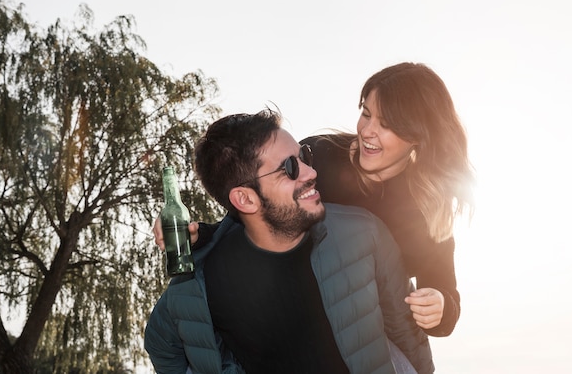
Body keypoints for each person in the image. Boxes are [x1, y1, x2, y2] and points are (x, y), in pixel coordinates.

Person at [154, 62, 474, 337]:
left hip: (367, 344)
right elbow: (253, 221)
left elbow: (446, 301)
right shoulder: (315, 156)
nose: (368, 131)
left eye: (387, 124)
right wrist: (200, 236)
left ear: (418, 135)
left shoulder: (428, 209)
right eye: (366, 114)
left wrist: (440, 307)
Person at [144, 110, 434, 374]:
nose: (311, 173)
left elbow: (407, 334)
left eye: (305, 156)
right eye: (290, 168)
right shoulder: (198, 285)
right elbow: (162, 347)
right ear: (245, 199)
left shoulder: (363, 233)